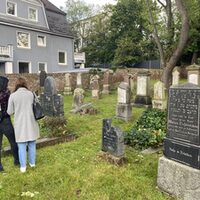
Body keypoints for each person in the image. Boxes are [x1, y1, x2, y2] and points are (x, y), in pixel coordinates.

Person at [7, 77, 40, 173]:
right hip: (31, 122)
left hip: (20, 124)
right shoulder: (31, 94)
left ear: (16, 84)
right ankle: (32, 163)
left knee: (21, 145)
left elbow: (9, 112)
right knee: (32, 144)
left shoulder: (13, 96)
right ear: (25, 84)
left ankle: (23, 167)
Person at [0, 76, 19, 171]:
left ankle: (0, 167)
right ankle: (17, 160)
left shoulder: (7, 93)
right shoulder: (7, 93)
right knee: (13, 141)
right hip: (6, 120)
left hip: (4, 119)